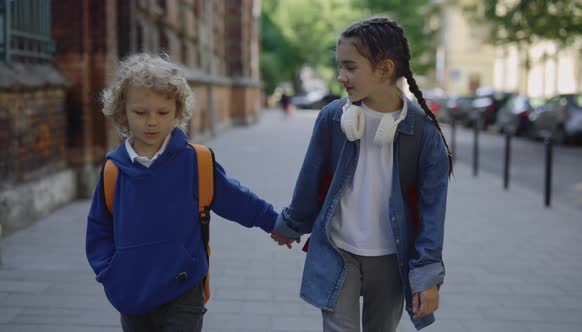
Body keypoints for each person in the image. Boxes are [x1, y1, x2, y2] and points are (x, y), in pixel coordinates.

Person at [271, 17, 452, 331]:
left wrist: (427, 275)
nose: (341, 76)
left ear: (384, 69)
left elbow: (432, 212)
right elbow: (310, 179)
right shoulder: (332, 118)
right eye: (340, 67)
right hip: (337, 247)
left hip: (392, 256)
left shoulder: (424, 133)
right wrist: (290, 225)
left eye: (350, 67)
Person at [85, 53, 279, 332]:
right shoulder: (113, 169)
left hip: (183, 287)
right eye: (141, 112)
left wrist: (275, 222)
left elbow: (235, 198)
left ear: (177, 111)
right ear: (122, 112)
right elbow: (98, 227)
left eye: (163, 113)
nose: (152, 122)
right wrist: (109, 271)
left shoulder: (195, 161)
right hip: (131, 290)